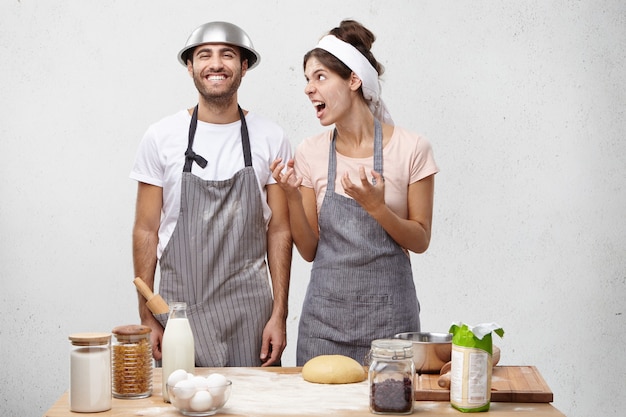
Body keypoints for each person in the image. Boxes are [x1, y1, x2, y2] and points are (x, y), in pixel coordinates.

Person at [271, 20, 438, 365]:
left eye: (320, 77)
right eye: (306, 79)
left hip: (392, 327)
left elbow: (420, 241)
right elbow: (309, 249)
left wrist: (377, 208)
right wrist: (290, 196)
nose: (308, 89)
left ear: (354, 80)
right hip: (323, 328)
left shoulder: (412, 148)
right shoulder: (310, 152)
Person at [131, 21, 292, 367]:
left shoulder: (270, 137)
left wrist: (279, 314)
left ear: (244, 67)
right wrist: (147, 315)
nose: (216, 64)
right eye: (205, 55)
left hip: (250, 313)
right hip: (178, 314)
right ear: (190, 67)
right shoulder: (161, 136)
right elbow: (146, 228)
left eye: (228, 55)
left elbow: (279, 229)